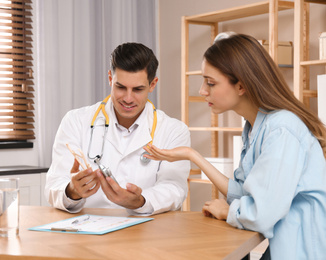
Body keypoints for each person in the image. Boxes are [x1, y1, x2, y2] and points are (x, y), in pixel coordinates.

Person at [144, 34, 326, 259]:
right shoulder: (254, 127)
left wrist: (229, 211)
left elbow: (262, 213)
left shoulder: (281, 129)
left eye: (210, 83)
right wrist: (193, 156)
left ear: (241, 86)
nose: (202, 91)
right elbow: (243, 192)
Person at [45, 42, 191, 216]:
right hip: (89, 230)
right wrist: (72, 191)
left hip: (146, 231)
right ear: (110, 79)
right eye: (120, 87)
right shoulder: (75, 121)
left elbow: (175, 187)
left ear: (153, 85)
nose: (128, 98)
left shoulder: (174, 130)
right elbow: (54, 183)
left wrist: (141, 201)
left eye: (138, 89)